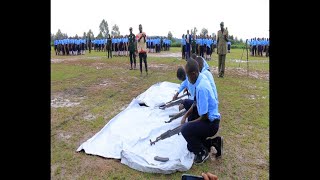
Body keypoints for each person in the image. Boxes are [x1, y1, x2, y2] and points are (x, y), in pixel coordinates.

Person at [180, 59, 223, 164]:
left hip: (211, 123)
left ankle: (202, 153)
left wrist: (189, 124)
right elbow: (195, 103)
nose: (187, 79)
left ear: (194, 73)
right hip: (208, 119)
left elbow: (204, 116)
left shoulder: (201, 88)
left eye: (188, 76)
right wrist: (185, 116)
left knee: (185, 130)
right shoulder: (200, 78)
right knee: (190, 146)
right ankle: (214, 142)